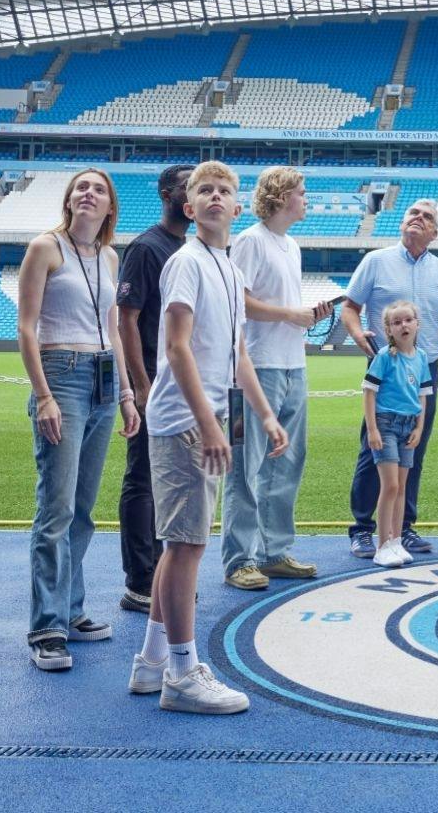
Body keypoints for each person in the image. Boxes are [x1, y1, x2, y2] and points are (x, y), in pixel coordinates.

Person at [132, 161, 287, 715]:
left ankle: (152, 661)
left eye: (225, 190)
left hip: (202, 417)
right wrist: (208, 422)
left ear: (237, 208)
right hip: (182, 422)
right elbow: (176, 347)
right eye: (205, 191)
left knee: (183, 545)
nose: (216, 197)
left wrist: (266, 414)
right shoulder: (186, 263)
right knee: (187, 547)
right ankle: (180, 672)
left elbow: (237, 354)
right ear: (188, 207)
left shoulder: (226, 266)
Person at [18, 168, 142, 672]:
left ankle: (71, 611)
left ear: (110, 207)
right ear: (69, 199)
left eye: (99, 189)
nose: (88, 194)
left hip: (104, 380)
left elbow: (112, 329)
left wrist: (128, 393)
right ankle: (46, 626)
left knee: (85, 509)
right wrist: (43, 395)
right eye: (81, 187)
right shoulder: (45, 248)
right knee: (56, 508)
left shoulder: (109, 256)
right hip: (61, 374)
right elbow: (26, 328)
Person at [221, 167, 333, 590]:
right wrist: (291, 314)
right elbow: (239, 301)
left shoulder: (291, 245)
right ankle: (239, 560)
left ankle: (272, 552)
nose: (307, 199)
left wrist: (304, 316)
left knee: (286, 461)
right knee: (247, 466)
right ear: (283, 196)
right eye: (302, 193)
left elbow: (276, 304)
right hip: (259, 365)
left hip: (291, 363)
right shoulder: (250, 241)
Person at [340, 198, 438, 560]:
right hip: (386, 369)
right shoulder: (375, 261)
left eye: (426, 216)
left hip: (425, 369)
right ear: (402, 222)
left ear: (435, 232)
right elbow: (350, 307)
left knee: (413, 449)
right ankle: (363, 528)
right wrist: (356, 333)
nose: (418, 218)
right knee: (375, 447)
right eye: (413, 213)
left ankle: (403, 528)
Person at [115, 164, 194, 614]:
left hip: (181, 385)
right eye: (187, 184)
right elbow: (126, 318)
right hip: (154, 382)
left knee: (171, 482)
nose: (194, 192)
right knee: (143, 478)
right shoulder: (147, 248)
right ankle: (140, 580)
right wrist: (140, 384)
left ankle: (163, 574)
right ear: (167, 193)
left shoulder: (191, 248)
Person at [362, 300, 437, 568]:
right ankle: (382, 544)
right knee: (390, 485)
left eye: (408, 320)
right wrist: (372, 428)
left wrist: (419, 426)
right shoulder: (385, 357)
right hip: (386, 424)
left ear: (417, 323)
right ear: (388, 330)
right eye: (397, 322)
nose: (403, 325)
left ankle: (395, 541)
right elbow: (369, 392)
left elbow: (423, 396)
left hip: (408, 426)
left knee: (402, 487)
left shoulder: (421, 358)